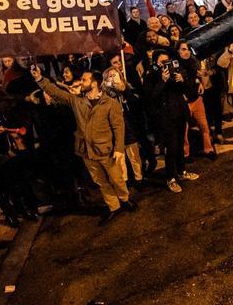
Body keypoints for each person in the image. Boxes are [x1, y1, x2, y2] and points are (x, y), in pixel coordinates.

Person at [30, 64, 136, 222]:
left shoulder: (110, 104)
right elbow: (56, 92)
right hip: (86, 151)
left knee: (116, 178)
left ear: (94, 83)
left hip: (106, 150)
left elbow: (118, 128)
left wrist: (119, 149)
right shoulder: (77, 101)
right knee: (101, 181)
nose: (81, 82)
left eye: (84, 80)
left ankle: (124, 198)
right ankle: (114, 206)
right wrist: (40, 79)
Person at [146, 49, 197, 194]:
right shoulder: (151, 76)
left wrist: (183, 79)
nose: (166, 65)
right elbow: (151, 97)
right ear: (156, 62)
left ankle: (181, 171)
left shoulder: (176, 71)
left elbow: (188, 89)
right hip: (166, 118)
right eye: (163, 62)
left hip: (180, 114)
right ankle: (171, 178)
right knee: (172, 147)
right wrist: (162, 81)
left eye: (167, 61)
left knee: (180, 144)